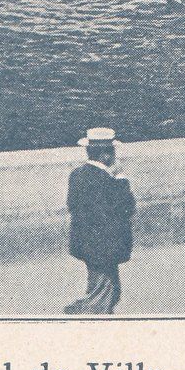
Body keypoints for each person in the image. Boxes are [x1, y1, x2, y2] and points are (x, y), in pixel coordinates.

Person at [64, 126, 135, 315]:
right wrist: (121, 178)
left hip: (86, 244)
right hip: (105, 246)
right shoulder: (108, 180)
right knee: (107, 294)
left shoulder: (77, 175)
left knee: (101, 289)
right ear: (106, 155)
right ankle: (81, 316)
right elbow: (126, 207)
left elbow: (72, 205)